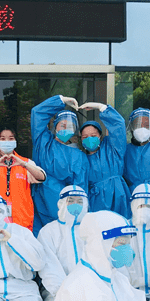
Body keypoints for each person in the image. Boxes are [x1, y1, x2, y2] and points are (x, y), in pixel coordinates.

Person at [31, 95, 88, 235]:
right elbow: (37, 113)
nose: (66, 128)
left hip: (64, 208)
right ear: (55, 126)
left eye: (70, 126)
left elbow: (80, 187)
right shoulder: (43, 143)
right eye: (62, 125)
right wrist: (61, 100)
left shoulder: (78, 155)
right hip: (38, 204)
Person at [37, 185, 89, 301]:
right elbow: (49, 268)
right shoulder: (48, 231)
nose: (75, 204)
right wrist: (64, 292)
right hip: (59, 294)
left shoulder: (91, 230)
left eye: (79, 201)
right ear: (61, 203)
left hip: (90, 291)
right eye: (70, 200)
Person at [79, 102, 131, 217]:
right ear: (81, 140)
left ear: (100, 137)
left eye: (93, 136)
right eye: (85, 137)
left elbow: (118, 124)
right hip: (95, 201)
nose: (89, 139)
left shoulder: (112, 149)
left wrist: (101, 107)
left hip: (118, 197)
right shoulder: (81, 159)